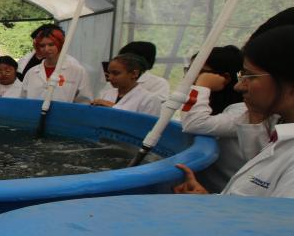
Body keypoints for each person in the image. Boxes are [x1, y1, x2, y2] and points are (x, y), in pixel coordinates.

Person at [175, 26, 294, 197]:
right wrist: (208, 201)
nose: (239, 86)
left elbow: (194, 123)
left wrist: (201, 87)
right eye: (242, 75)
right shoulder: (280, 130)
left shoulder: (239, 112)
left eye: (251, 76)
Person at [180, 45, 265, 192]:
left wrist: (202, 86)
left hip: (226, 195)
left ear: (224, 78)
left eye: (199, 72)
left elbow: (194, 123)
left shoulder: (243, 111)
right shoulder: (209, 104)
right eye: (189, 70)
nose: (190, 77)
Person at [20, 25, 93, 103]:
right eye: (42, 45)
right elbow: (23, 100)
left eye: (51, 44)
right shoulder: (31, 73)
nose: (46, 49)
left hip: (64, 114)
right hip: (34, 114)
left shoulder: (77, 71)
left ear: (60, 44)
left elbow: (85, 101)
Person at [91, 54, 161, 116]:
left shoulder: (150, 100)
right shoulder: (106, 94)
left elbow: (145, 126)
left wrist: (113, 106)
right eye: (109, 73)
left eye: (116, 73)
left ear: (134, 74)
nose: (110, 77)